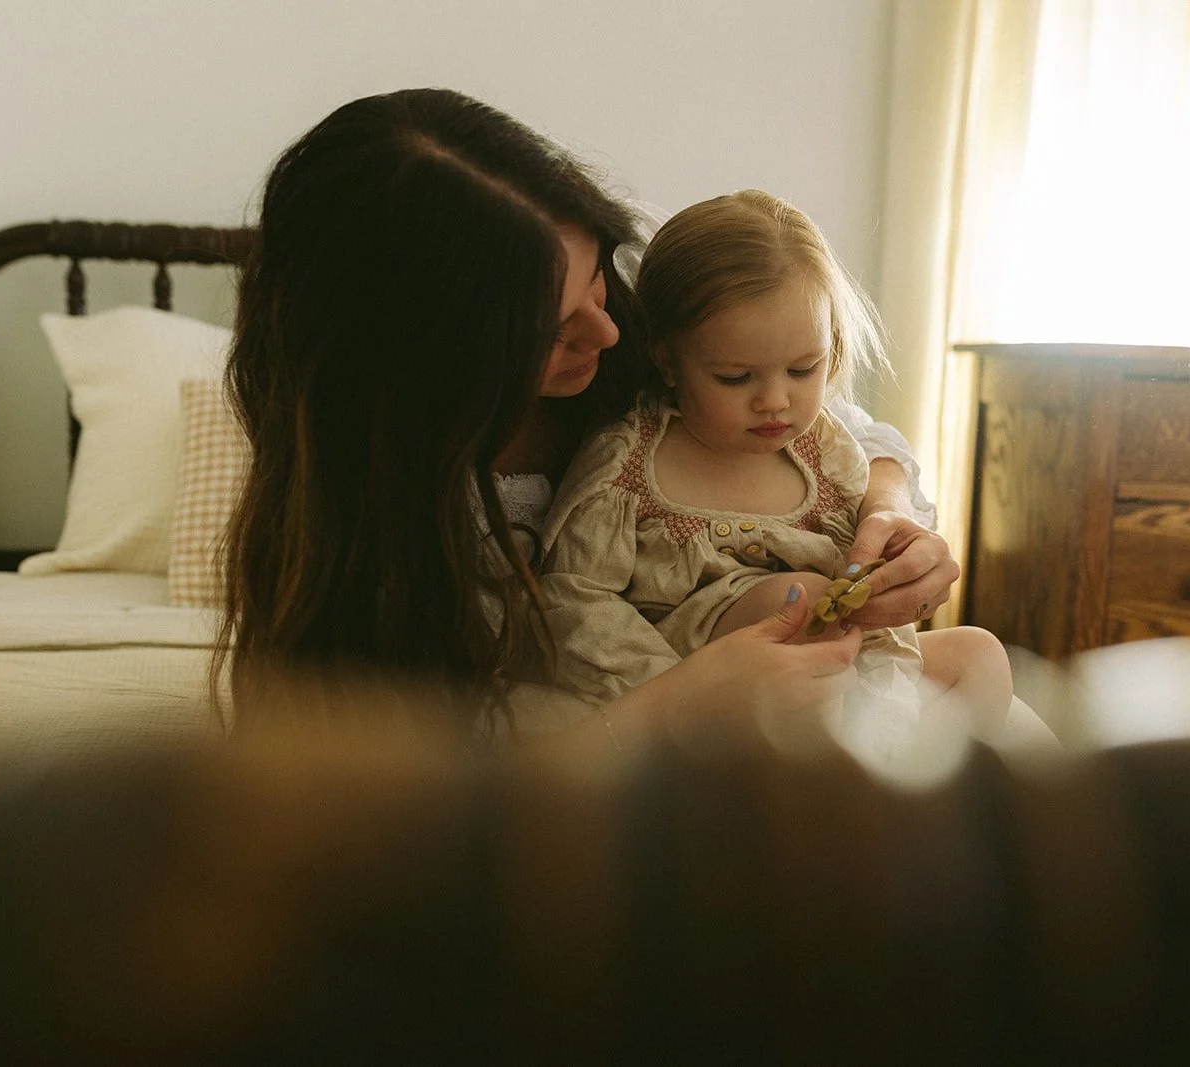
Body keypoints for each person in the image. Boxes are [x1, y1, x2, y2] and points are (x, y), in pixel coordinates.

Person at [215, 88, 961, 743]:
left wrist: (888, 514)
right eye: (550, 329)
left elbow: (825, 423)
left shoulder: (649, 320)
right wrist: (675, 703)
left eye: (598, 277)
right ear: (432, 367)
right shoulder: (380, 537)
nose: (608, 335)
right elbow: (418, 814)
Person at [537, 191, 1012, 743]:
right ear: (667, 361)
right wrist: (669, 687)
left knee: (980, 653)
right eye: (736, 379)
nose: (775, 401)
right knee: (803, 604)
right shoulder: (627, 468)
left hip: (851, 664)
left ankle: (911, 793)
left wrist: (884, 567)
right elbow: (575, 601)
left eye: (803, 370)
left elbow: (881, 528)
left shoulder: (826, 450)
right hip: (719, 688)